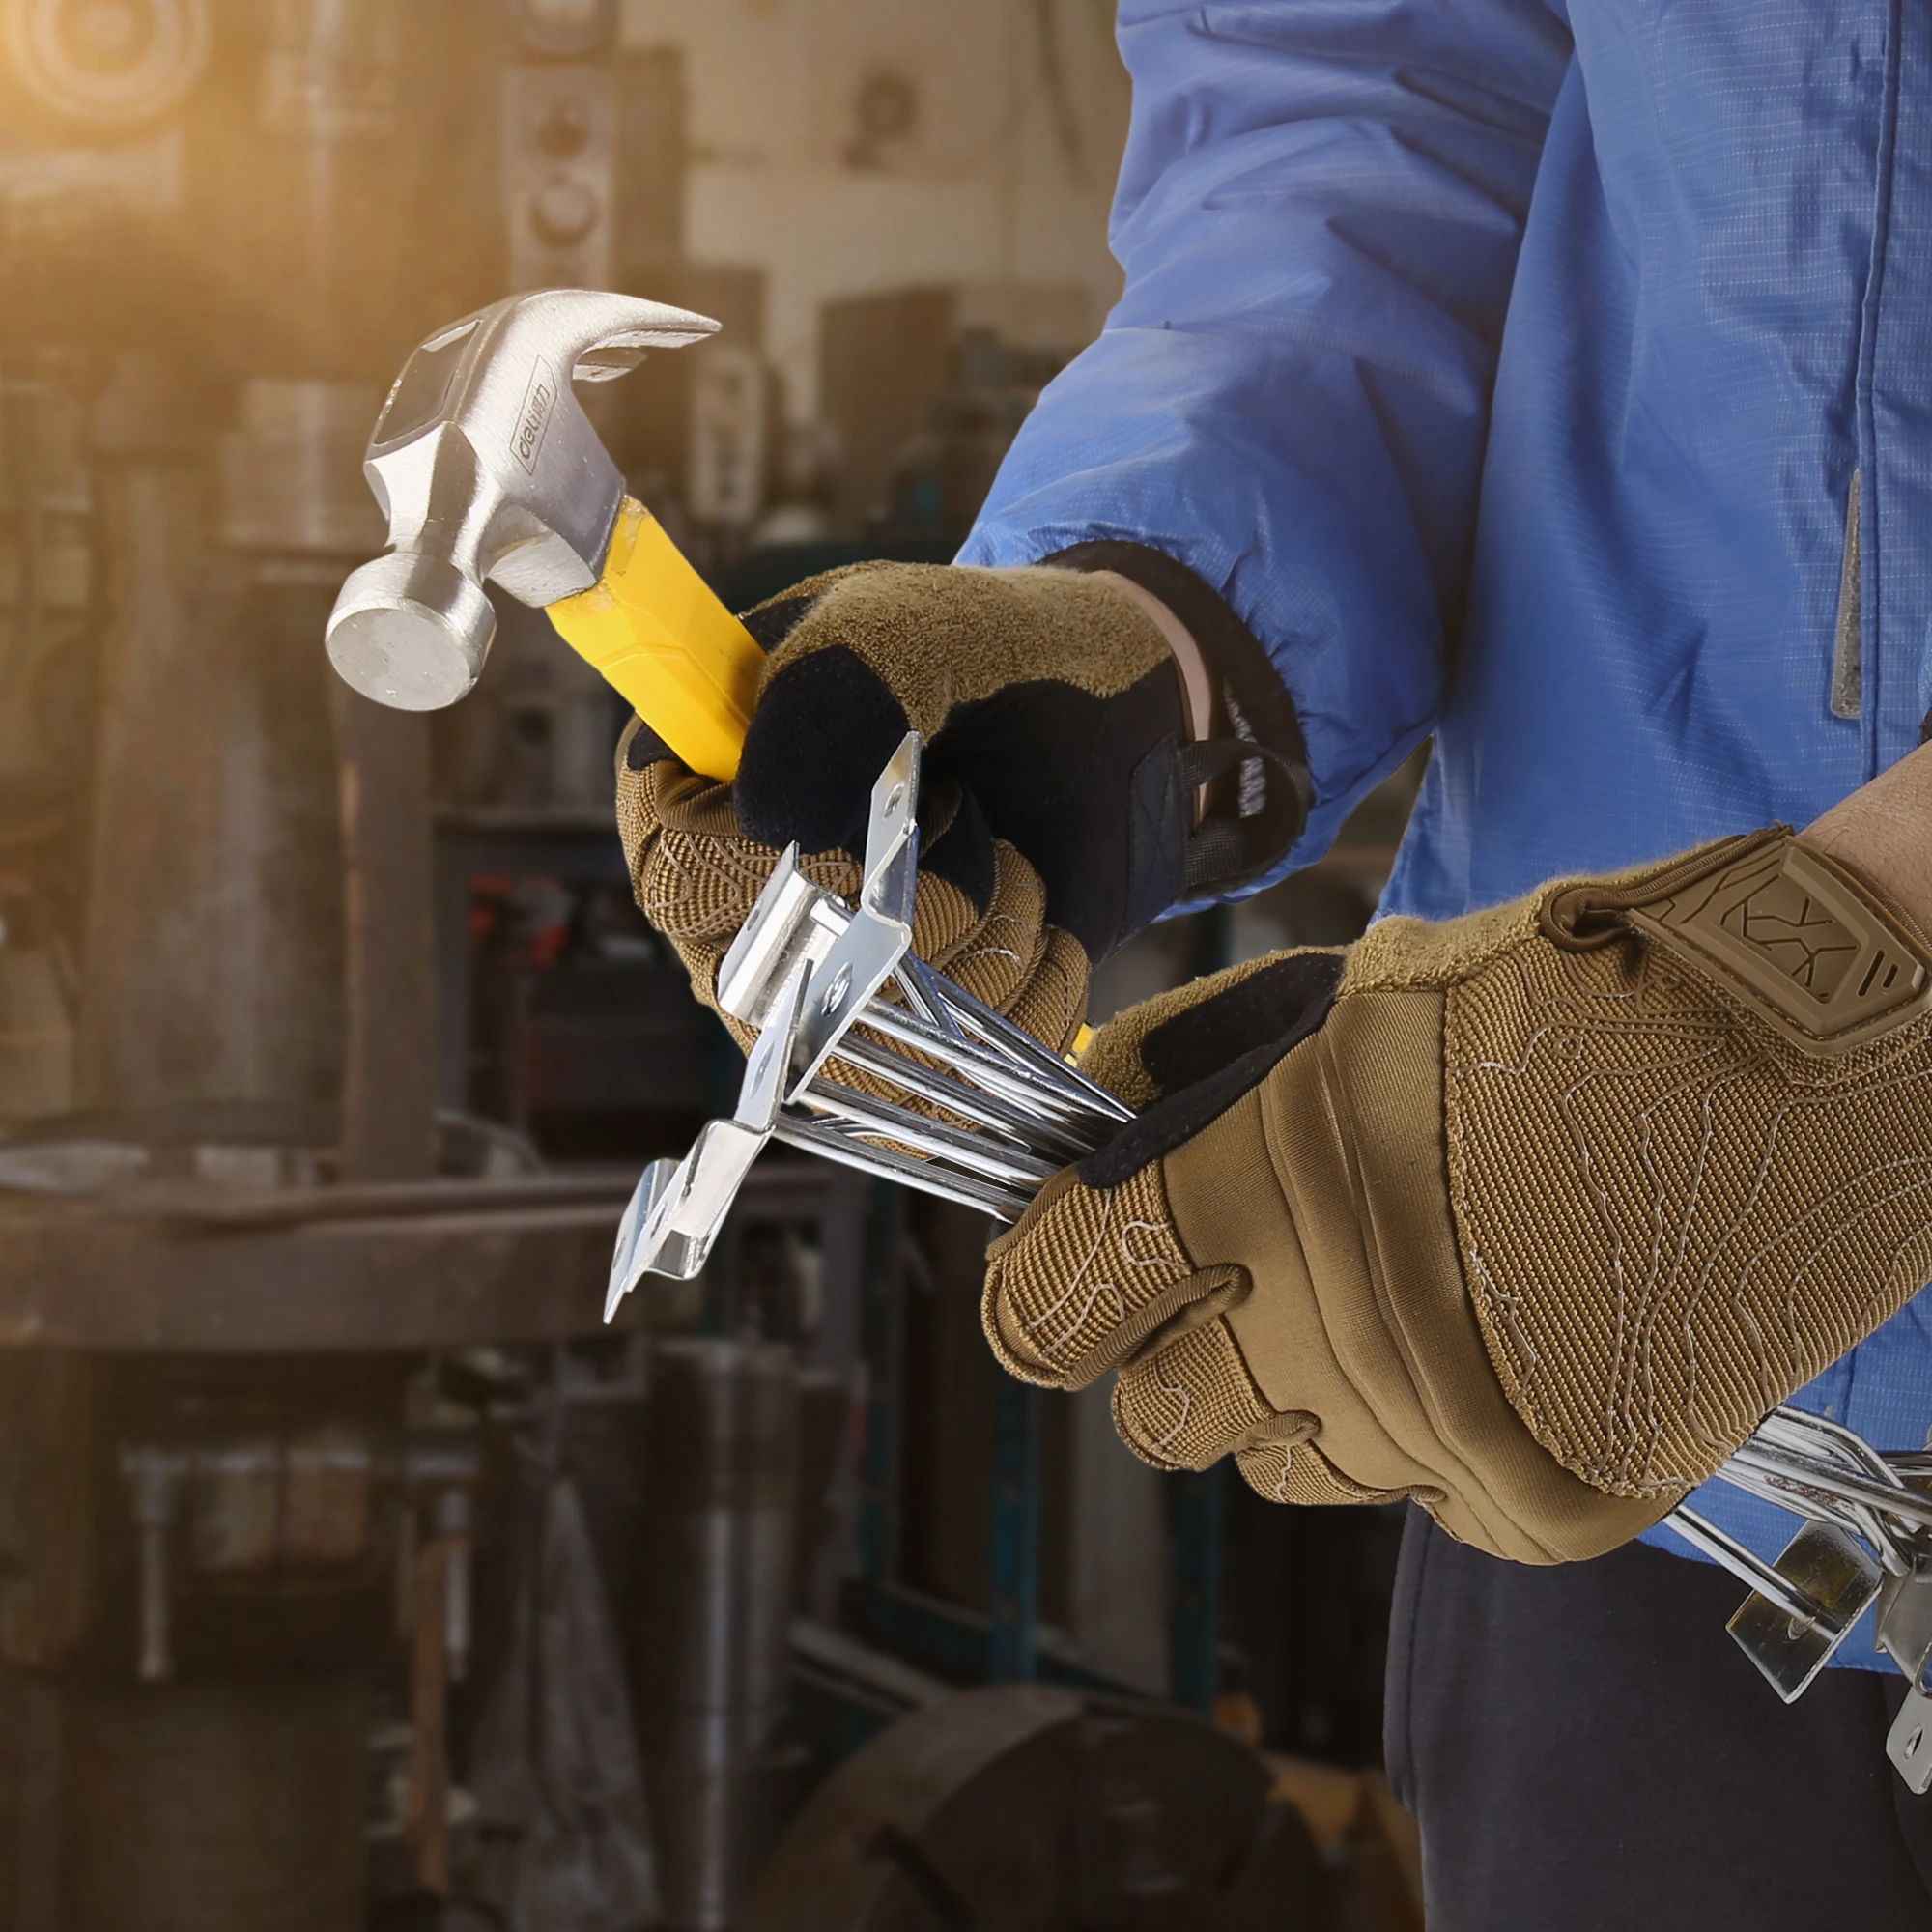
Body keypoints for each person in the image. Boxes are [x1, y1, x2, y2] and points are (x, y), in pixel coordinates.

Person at [618, 3, 1932, 1920]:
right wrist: (1165, 626)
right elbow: (1377, 99)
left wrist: (1853, 961)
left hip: (1616, 1183)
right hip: (1588, 1413)